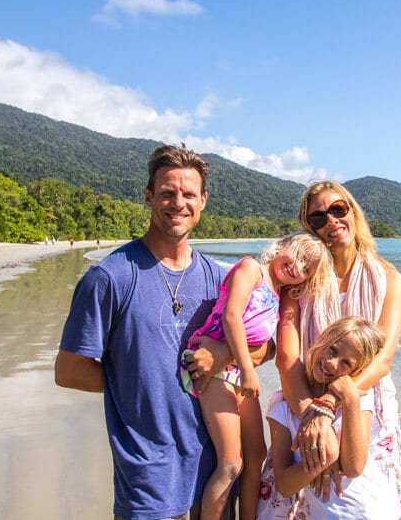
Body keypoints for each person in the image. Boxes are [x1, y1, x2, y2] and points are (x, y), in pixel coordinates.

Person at [55, 144, 266, 519]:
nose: (177, 203)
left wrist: (224, 354)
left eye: (188, 194)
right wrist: (136, 381)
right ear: (149, 197)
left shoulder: (221, 280)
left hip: (214, 468)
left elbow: (267, 348)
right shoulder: (110, 278)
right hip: (147, 476)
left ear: (203, 201)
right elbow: (69, 371)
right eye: (167, 193)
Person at [274, 180, 401, 518]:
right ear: (309, 227)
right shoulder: (299, 281)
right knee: (310, 488)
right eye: (318, 217)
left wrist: (331, 405)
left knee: (360, 502)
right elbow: (287, 357)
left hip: (364, 401)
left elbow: (382, 359)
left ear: (353, 212)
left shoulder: (388, 278)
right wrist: (311, 413)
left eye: (338, 210)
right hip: (304, 393)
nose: (332, 221)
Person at [182, 231, 332, 520]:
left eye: (305, 268)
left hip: (235, 373)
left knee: (257, 454)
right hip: (213, 370)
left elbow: (271, 346)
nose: (296, 266)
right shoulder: (252, 269)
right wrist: (248, 369)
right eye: (297, 255)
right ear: (283, 244)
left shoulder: (278, 296)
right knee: (231, 464)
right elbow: (231, 315)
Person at [258, 316, 401, 519]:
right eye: (332, 351)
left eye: (346, 363)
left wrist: (350, 400)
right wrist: (325, 458)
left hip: (375, 510)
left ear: (357, 370)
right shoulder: (283, 407)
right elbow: (284, 486)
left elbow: (354, 468)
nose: (332, 364)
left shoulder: (356, 399)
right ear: (322, 339)